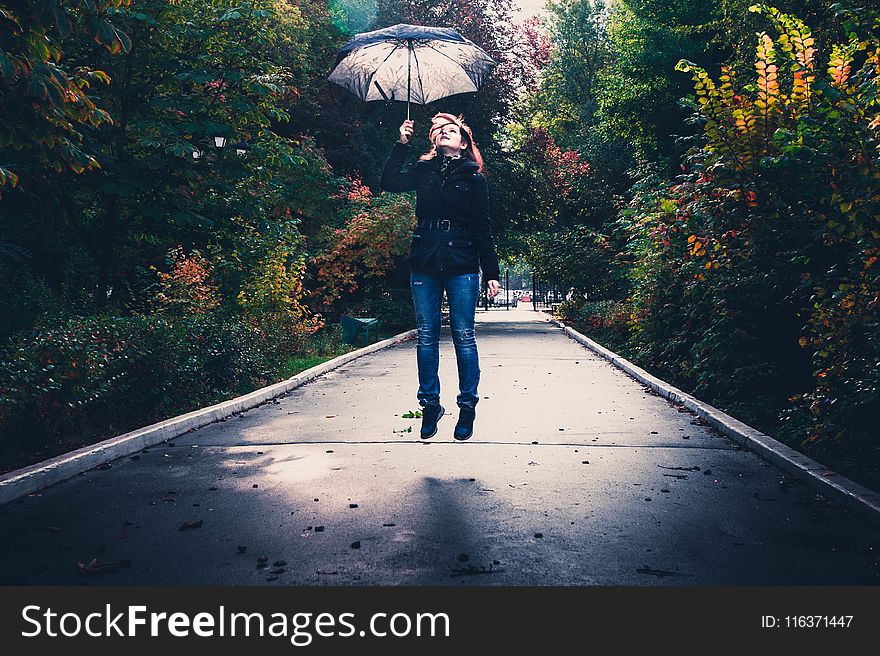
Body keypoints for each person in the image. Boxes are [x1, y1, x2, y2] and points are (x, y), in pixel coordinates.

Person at [380, 113, 502, 441]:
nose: (444, 133)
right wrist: (401, 144)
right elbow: (389, 182)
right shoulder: (424, 170)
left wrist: (491, 272)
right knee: (426, 335)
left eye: (452, 130)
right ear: (433, 139)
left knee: (463, 334)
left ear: (463, 142)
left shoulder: (474, 178)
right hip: (425, 259)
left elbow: (482, 227)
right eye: (439, 131)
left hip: (462, 261)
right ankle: (430, 404)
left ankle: (467, 405)